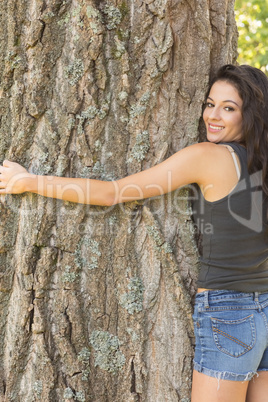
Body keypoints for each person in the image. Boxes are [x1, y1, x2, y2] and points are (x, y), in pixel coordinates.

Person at [0, 64, 267, 402]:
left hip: (229, 314)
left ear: (251, 114)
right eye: (209, 103)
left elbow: (112, 193)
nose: (212, 116)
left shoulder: (208, 156)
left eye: (228, 108)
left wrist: (29, 182)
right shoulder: (260, 162)